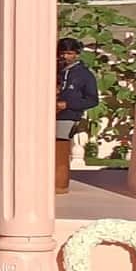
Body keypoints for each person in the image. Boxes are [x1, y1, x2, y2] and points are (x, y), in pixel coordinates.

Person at [56, 37, 99, 194]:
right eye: (62, 53)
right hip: (47, 116)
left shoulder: (85, 75)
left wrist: (67, 104)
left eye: (69, 53)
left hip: (68, 116)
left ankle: (60, 184)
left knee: (60, 149)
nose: (65, 57)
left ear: (77, 54)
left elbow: (92, 100)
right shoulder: (55, 70)